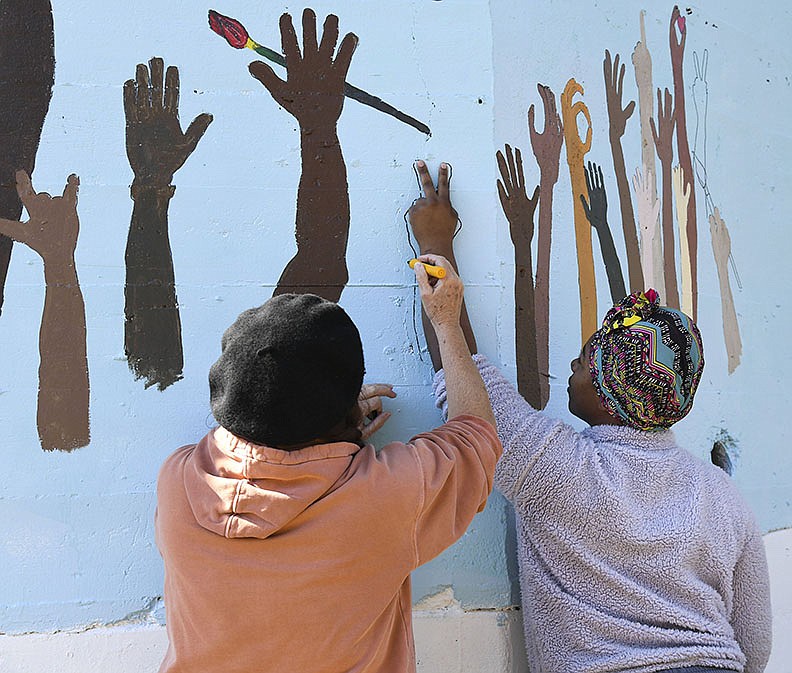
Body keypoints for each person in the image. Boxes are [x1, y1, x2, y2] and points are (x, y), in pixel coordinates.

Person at [408, 160, 772, 673]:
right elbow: (754, 647)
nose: (572, 366)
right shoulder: (721, 495)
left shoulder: (557, 471)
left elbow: (461, 375)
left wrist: (434, 241)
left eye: (585, 359)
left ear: (608, 394)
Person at [155, 277, 501, 671]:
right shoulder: (386, 497)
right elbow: (477, 435)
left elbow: (252, 443)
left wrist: (328, 427)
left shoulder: (177, 482)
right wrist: (446, 324)